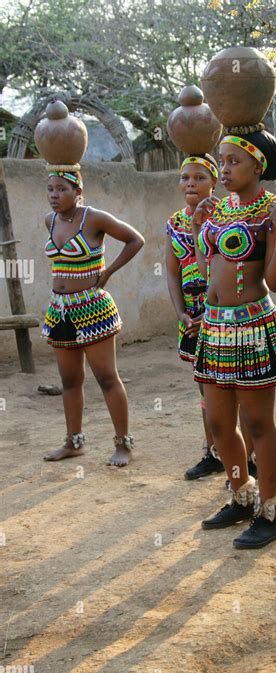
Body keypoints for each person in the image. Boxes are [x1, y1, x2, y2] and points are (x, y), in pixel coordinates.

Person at [191, 124, 276, 549]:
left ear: (258, 164)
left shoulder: (273, 211)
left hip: (252, 326)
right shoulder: (221, 209)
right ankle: (241, 494)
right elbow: (202, 271)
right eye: (223, 160)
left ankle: (269, 511)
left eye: (234, 161)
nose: (225, 168)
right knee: (217, 423)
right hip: (215, 325)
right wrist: (201, 227)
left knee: (256, 422)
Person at [42, 168, 145, 466]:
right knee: (70, 380)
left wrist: (108, 272)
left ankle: (123, 444)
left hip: (92, 309)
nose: (54, 195)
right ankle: (73, 442)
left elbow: (135, 240)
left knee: (107, 378)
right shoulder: (49, 221)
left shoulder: (94, 218)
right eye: (50, 189)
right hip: (59, 309)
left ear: (78, 191)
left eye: (61, 189)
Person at [166, 154, 257, 482]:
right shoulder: (175, 222)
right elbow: (172, 272)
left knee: (238, 388)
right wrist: (180, 314)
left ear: (214, 181)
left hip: (224, 314)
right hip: (191, 319)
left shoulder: (227, 215)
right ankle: (215, 452)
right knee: (207, 390)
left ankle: (249, 456)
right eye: (185, 177)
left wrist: (211, 312)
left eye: (200, 177)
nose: (191, 183)